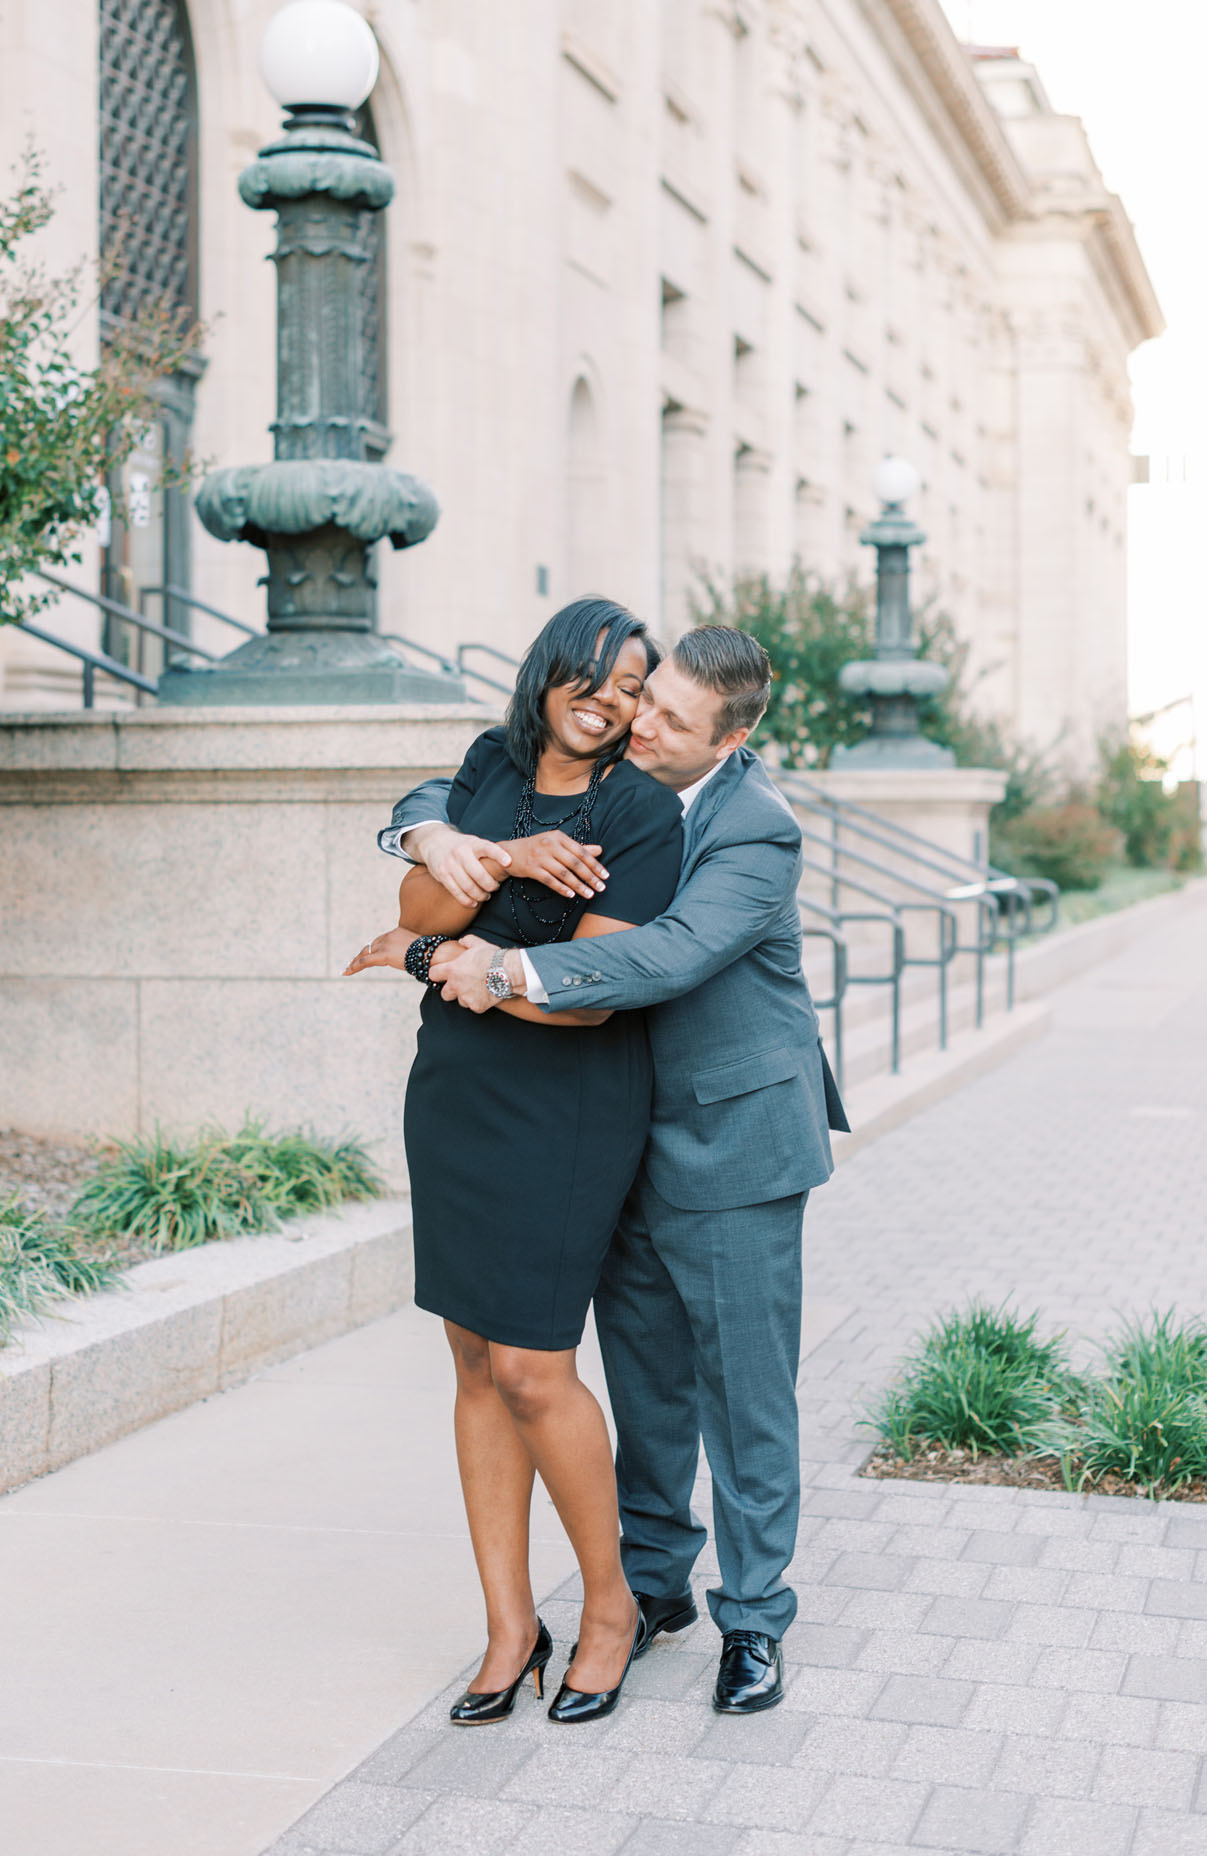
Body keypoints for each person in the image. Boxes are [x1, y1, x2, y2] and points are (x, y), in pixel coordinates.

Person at [382, 624, 848, 1717]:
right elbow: (467, 780)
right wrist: (428, 833)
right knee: (643, 1383)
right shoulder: (610, 779)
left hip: (730, 1139)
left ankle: (754, 1614)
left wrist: (505, 967)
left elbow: (668, 953)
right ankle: (650, 1585)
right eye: (649, 700)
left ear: (730, 740)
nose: (642, 724)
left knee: (742, 1393)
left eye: (673, 720)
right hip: (611, 1129)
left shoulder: (755, 828)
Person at [343, 597, 684, 1727]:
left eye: (631, 688)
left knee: (534, 1368)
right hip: (456, 1091)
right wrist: (503, 857)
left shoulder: (638, 811)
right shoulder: (491, 761)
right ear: (549, 668)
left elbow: (588, 994)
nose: (610, 701)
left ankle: (610, 1610)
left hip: (568, 1103)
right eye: (597, 675)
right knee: (474, 1365)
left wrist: (442, 953)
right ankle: (507, 1627)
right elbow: (416, 897)